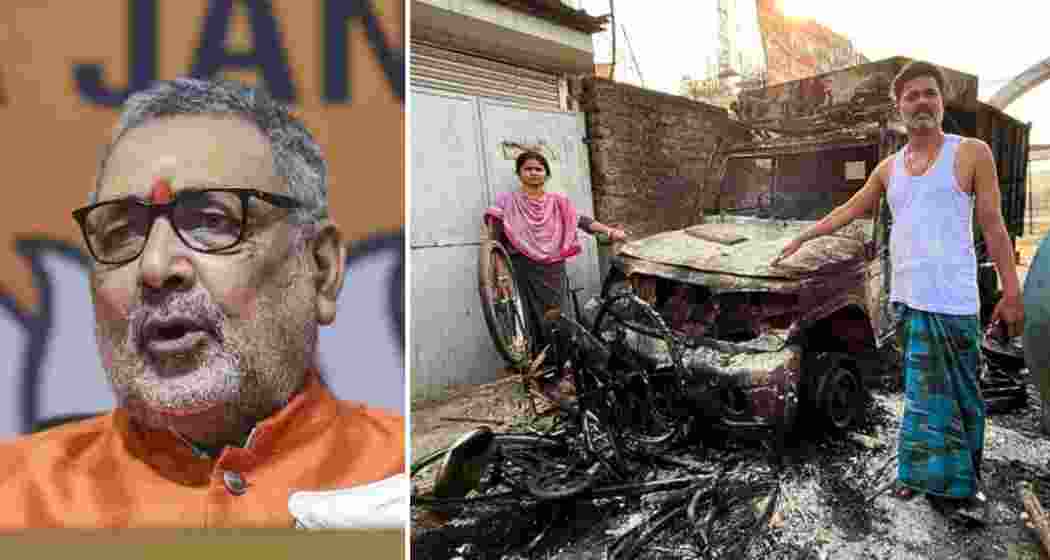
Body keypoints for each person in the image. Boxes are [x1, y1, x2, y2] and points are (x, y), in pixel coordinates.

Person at [0, 78, 405, 529]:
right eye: (120, 233)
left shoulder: (405, 481)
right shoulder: (14, 497)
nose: (155, 268)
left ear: (321, 268)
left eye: (212, 220)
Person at [772, 61, 1024, 524]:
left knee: (961, 397)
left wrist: (1012, 293)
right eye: (911, 96)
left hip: (954, 301)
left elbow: (993, 223)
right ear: (899, 108)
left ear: (942, 102)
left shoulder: (971, 153)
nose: (921, 102)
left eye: (929, 93)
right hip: (909, 299)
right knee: (920, 396)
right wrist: (805, 236)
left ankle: (963, 486)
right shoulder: (889, 169)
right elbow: (851, 207)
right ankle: (919, 472)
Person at [483, 151, 626, 398]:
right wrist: (499, 273)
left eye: (539, 168)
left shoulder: (557, 202)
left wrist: (609, 231)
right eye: (528, 168)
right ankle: (538, 377)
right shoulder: (506, 202)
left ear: (546, 174)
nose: (533, 173)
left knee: (558, 319)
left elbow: (582, 221)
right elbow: (494, 240)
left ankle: (566, 373)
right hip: (520, 267)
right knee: (526, 320)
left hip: (551, 268)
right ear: (519, 173)